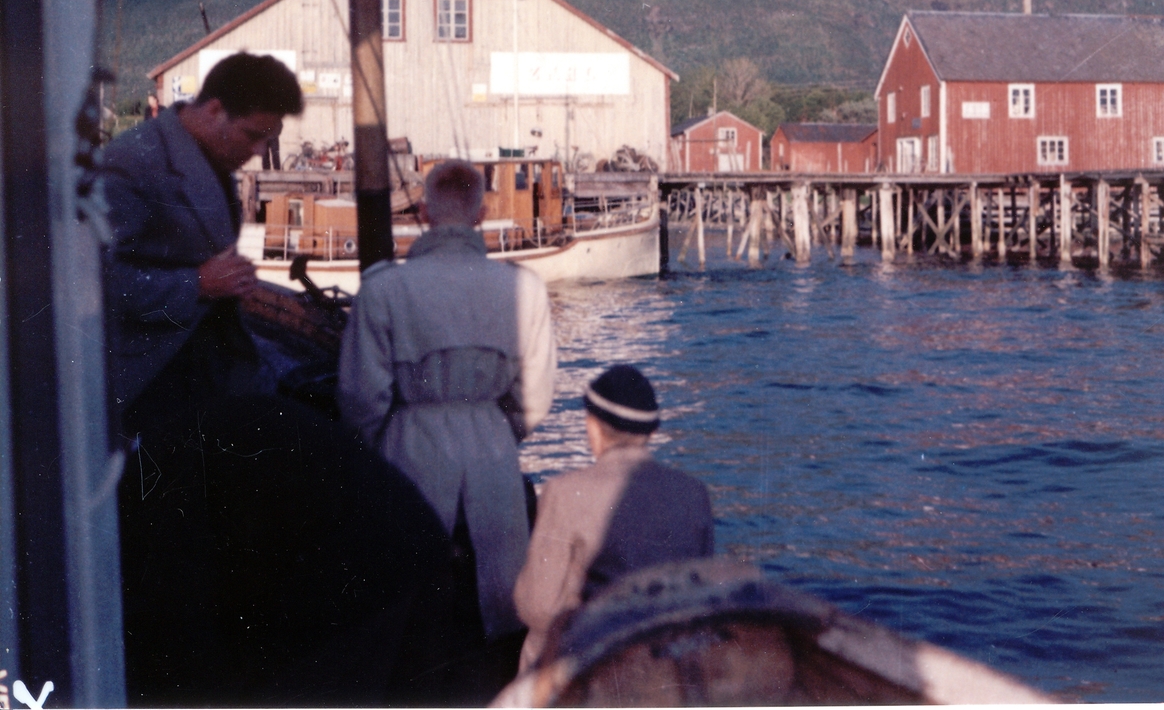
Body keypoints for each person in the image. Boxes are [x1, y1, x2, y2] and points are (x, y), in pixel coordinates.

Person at [102, 53, 451, 705]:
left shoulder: (208, 160)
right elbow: (82, 283)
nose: (261, 153)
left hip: (213, 384)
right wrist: (191, 286)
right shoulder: (134, 163)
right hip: (153, 397)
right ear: (212, 112)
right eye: (256, 136)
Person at [338, 158, 556, 643]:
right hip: (492, 451)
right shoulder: (523, 287)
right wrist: (497, 429)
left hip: (410, 448)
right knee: (498, 600)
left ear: (423, 211)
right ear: (481, 215)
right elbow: (536, 398)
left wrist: (388, 441)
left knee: (409, 594)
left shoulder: (383, 288)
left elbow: (360, 398)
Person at [513, 364, 715, 673]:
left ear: (593, 426)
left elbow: (536, 606)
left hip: (591, 665)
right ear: (651, 432)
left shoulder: (564, 492)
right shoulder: (693, 493)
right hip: (668, 665)